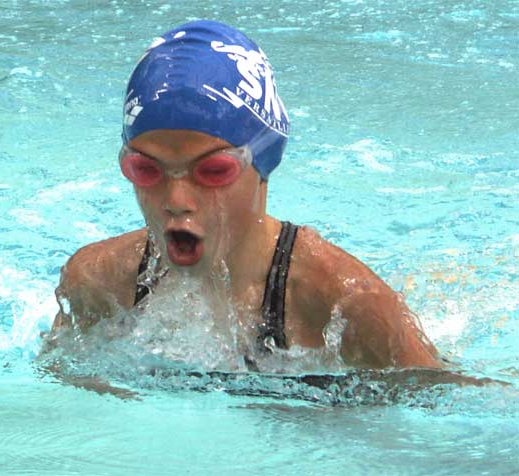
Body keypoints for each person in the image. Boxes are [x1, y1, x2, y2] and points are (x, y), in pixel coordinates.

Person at [48, 20, 441, 370]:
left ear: (263, 160)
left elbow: (441, 406)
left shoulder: (344, 303)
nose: (176, 199)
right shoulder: (97, 285)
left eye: (213, 171)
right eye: (147, 169)